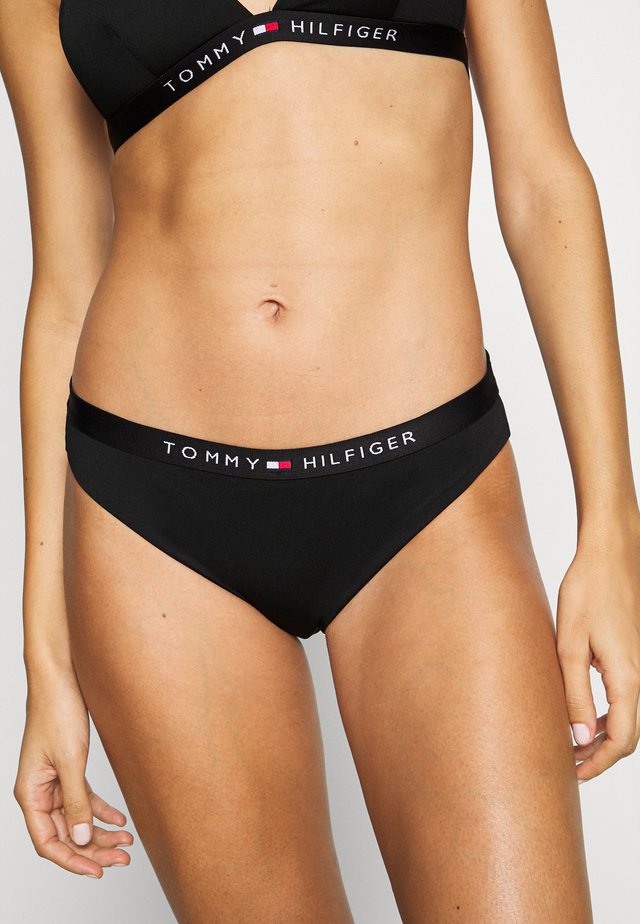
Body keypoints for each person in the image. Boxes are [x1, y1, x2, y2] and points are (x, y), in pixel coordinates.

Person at [2, 0, 638, 920]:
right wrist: (47, 660)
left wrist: (611, 528)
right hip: (152, 515)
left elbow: (543, 182)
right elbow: (65, 281)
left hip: (428, 487)